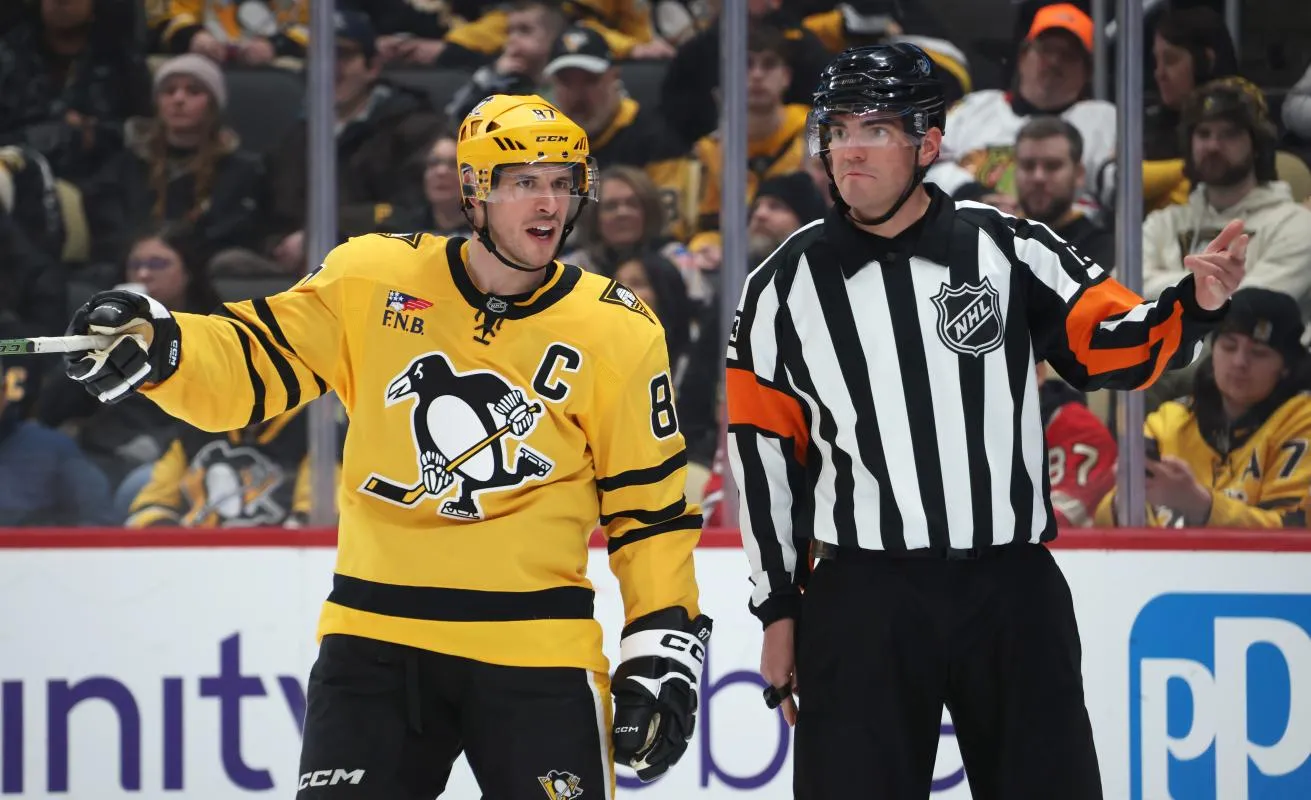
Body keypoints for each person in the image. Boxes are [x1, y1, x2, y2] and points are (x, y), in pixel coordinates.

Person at [61, 94, 710, 798]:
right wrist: (168, 349)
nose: (548, 202)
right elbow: (254, 361)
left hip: (537, 652)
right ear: (473, 190)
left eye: (561, 182)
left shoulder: (619, 329)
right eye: (523, 181)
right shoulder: (373, 277)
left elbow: (650, 510)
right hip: (375, 643)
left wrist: (658, 639)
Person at [726, 43, 1248, 799]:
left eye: (873, 128)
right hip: (861, 596)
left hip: (1009, 590)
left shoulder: (1007, 247)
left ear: (926, 143)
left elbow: (1112, 347)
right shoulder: (779, 287)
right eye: (836, 129)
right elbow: (764, 460)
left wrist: (1190, 307)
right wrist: (777, 613)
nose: (848, 149)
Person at [1097, 288, 1311, 529]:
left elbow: (1295, 534)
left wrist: (1202, 505)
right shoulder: (1168, 420)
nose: (1239, 362)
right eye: (1229, 347)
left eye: (1259, 353)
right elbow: (1103, 523)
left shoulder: (1303, 421)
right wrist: (1122, 499)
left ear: (1286, 366)